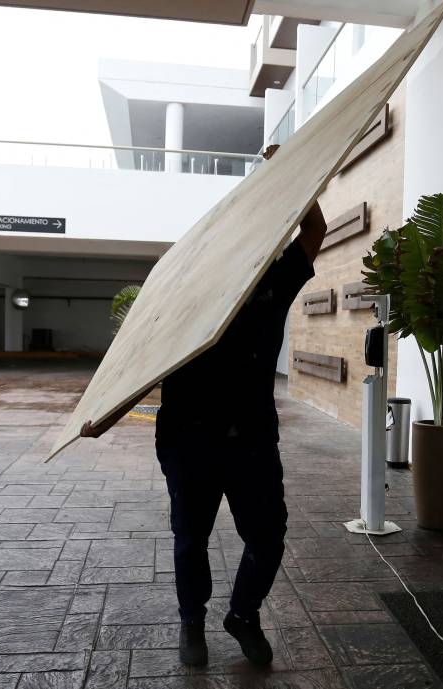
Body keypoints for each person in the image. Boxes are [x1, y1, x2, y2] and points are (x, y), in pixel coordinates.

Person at [82, 144, 327, 666]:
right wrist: (102, 412)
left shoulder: (271, 280)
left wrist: (296, 173)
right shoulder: (179, 293)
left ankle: (243, 614)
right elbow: (134, 362)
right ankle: (191, 623)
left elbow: (314, 234)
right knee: (190, 538)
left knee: (268, 536)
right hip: (188, 438)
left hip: (252, 439)